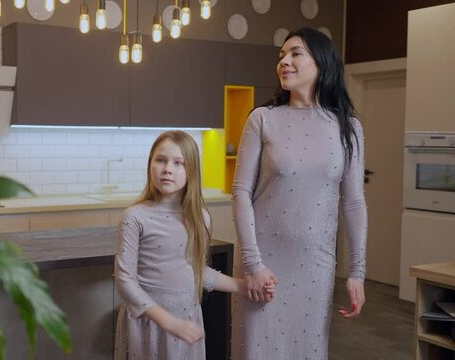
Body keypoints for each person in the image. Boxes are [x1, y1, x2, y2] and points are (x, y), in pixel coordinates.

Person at [232, 27, 368, 359]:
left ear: (322, 63)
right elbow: (240, 193)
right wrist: (253, 264)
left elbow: (353, 202)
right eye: (281, 56)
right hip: (262, 262)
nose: (285, 62)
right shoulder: (262, 119)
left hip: (315, 267)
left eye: (295, 53)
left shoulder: (348, 128)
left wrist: (357, 271)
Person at [114, 130, 274, 360]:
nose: (167, 168)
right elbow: (125, 282)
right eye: (160, 160)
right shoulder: (134, 217)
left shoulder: (200, 218)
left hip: (186, 320)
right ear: (150, 165)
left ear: (192, 171)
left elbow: (196, 270)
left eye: (179, 163)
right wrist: (169, 322)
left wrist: (244, 287)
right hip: (148, 324)